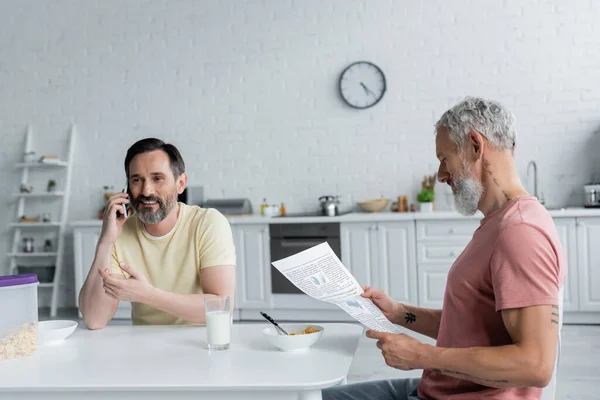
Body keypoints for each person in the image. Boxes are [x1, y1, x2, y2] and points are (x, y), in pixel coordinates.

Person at [323, 97, 567, 399]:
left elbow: (535, 366)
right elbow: (470, 325)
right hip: (434, 388)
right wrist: (399, 313)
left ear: (475, 145)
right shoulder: (499, 223)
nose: (440, 175)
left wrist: (424, 356)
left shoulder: (519, 232)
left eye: (444, 158)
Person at [79, 138, 236, 328]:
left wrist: (148, 295)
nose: (146, 190)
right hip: (144, 347)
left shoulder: (208, 223)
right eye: (136, 180)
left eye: (157, 178)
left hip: (200, 344)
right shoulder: (120, 231)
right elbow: (94, 319)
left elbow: (221, 308)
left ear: (180, 183)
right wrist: (106, 242)